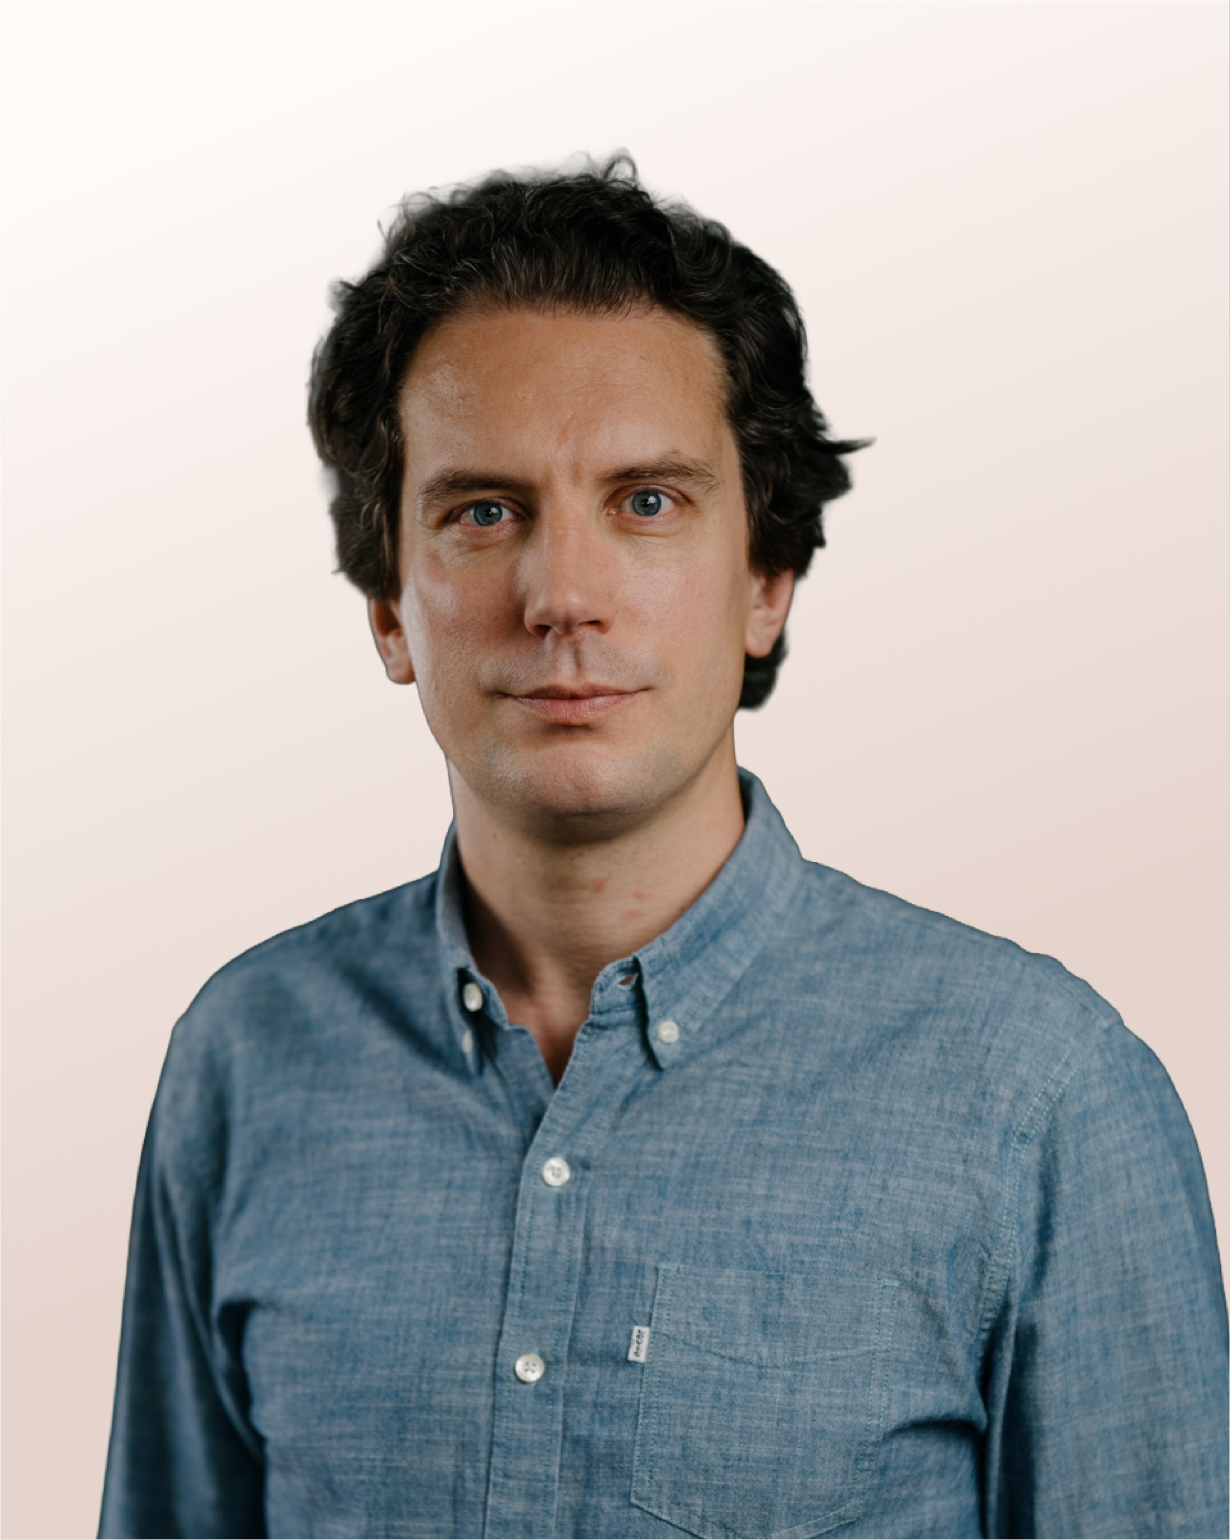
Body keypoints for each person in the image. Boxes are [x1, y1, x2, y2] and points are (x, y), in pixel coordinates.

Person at [99, 156, 1228, 1540]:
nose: (561, 596)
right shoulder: (246, 1057)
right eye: (482, 511)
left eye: (645, 502)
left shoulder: (1044, 1100)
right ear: (389, 606)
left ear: (766, 581)